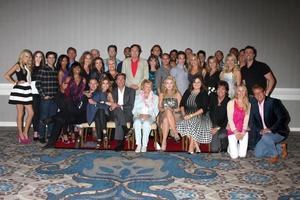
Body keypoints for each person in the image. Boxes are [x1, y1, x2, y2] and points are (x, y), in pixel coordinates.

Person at [43, 62, 87, 148]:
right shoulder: (68, 78)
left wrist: (85, 94)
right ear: (72, 70)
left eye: (78, 68)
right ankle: (51, 141)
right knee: (68, 101)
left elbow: (82, 92)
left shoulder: (83, 79)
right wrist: (63, 88)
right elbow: (62, 90)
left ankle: (51, 141)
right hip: (65, 100)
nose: (77, 70)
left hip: (75, 103)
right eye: (75, 68)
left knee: (61, 118)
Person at [251, 85, 290, 164]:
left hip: (278, 131)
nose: (258, 95)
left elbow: (284, 118)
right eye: (256, 93)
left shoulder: (273, 102)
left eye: (260, 92)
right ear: (254, 95)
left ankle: (274, 155)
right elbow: (254, 121)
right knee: (258, 153)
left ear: (264, 92)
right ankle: (281, 147)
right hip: (265, 134)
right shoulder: (254, 105)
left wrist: (271, 129)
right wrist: (260, 130)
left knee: (266, 137)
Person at [4, 49, 34, 144]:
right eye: (26, 56)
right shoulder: (18, 65)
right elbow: (6, 75)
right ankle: (21, 134)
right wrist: (16, 82)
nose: (28, 58)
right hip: (19, 90)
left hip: (27, 90)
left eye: (29, 56)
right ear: (22, 56)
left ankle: (25, 132)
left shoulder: (27, 66)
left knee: (31, 113)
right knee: (20, 114)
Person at [177, 76, 212, 154]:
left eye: (198, 82)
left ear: (201, 83)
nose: (196, 84)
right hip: (187, 114)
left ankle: (190, 147)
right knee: (184, 124)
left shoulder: (204, 93)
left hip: (200, 114)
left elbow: (204, 108)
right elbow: (182, 104)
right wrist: (183, 115)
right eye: (194, 82)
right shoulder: (188, 91)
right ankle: (197, 146)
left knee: (192, 123)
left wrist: (191, 115)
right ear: (192, 83)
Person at [36, 51, 59, 143]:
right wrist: (43, 95)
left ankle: (50, 135)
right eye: (49, 57)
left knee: (52, 117)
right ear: (46, 59)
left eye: (53, 58)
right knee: (43, 117)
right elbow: (38, 84)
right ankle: (41, 136)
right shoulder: (43, 69)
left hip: (54, 98)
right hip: (46, 98)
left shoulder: (55, 69)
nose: (51, 59)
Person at [110, 73, 136, 151]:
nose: (120, 81)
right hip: (114, 113)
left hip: (127, 114)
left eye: (122, 79)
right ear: (116, 81)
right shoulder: (112, 92)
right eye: (118, 79)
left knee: (118, 119)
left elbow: (131, 105)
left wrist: (119, 106)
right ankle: (125, 129)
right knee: (117, 111)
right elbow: (109, 104)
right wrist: (112, 107)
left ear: (125, 80)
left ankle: (120, 143)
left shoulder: (131, 91)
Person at [86, 78, 113, 149]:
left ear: (97, 84)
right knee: (98, 113)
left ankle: (99, 139)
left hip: (104, 114)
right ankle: (104, 133)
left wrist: (96, 103)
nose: (93, 85)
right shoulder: (86, 92)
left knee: (99, 112)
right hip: (92, 114)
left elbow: (106, 106)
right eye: (91, 83)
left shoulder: (102, 93)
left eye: (95, 83)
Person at [132, 79, 159, 153]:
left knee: (146, 124)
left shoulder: (155, 97)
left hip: (150, 116)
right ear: (142, 87)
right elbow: (134, 109)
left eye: (149, 86)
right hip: (139, 115)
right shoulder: (137, 96)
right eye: (146, 86)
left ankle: (144, 145)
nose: (148, 88)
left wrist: (149, 115)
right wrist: (138, 114)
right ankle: (138, 145)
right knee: (137, 122)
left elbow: (156, 110)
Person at [158, 76, 182, 151]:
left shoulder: (177, 94)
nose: (169, 85)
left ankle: (164, 142)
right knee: (166, 116)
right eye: (167, 83)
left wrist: (173, 110)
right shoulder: (161, 94)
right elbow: (159, 108)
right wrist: (165, 109)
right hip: (164, 114)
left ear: (173, 84)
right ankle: (175, 133)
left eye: (171, 83)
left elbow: (180, 108)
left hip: (176, 114)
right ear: (164, 84)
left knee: (166, 119)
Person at [227, 85, 251, 159]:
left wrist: (243, 132)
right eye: (239, 90)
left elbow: (246, 119)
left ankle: (234, 145)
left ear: (245, 92)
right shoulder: (231, 103)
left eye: (243, 90)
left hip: (243, 129)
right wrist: (236, 132)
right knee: (234, 156)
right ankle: (230, 147)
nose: (241, 92)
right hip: (232, 129)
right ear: (236, 92)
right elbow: (230, 119)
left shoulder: (248, 104)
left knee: (242, 155)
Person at [209, 81, 230, 152]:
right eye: (218, 88)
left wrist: (217, 128)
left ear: (226, 91)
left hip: (222, 126)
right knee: (214, 149)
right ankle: (219, 146)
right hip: (212, 124)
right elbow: (209, 112)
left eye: (223, 89)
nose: (220, 91)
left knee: (222, 135)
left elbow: (227, 120)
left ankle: (225, 147)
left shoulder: (229, 102)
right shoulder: (212, 97)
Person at [31, 51, 45, 141]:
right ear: (34, 57)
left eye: (40, 57)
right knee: (35, 113)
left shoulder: (44, 68)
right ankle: (35, 131)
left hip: (42, 92)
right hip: (32, 93)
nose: (38, 58)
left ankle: (40, 131)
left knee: (41, 113)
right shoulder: (30, 67)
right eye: (36, 56)